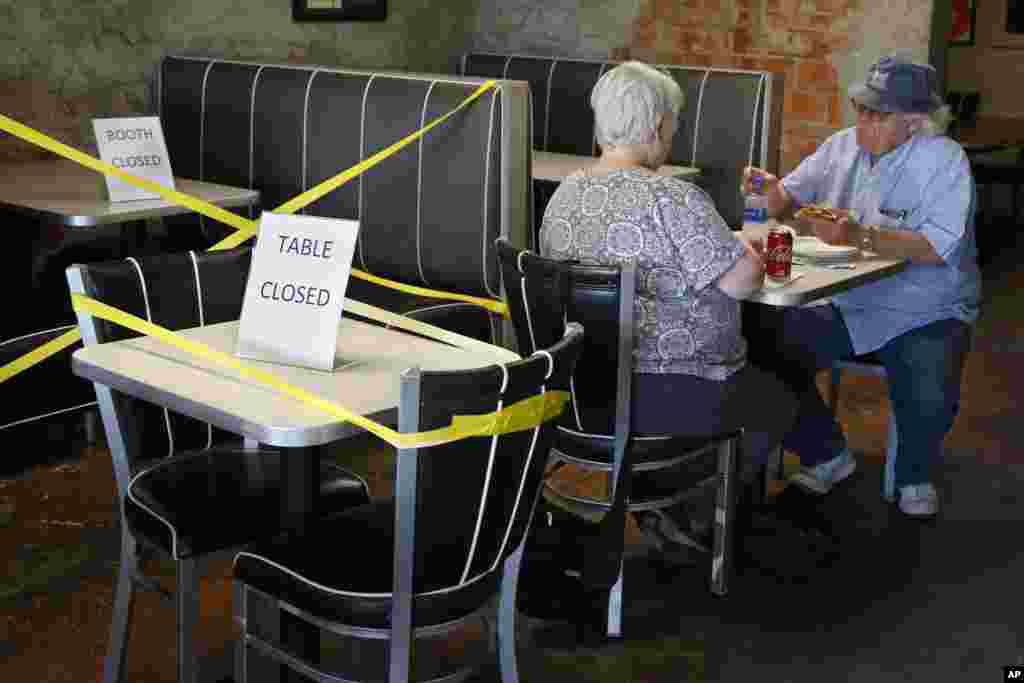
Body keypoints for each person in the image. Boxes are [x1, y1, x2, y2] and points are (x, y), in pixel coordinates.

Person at [538, 61, 798, 560]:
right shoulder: (672, 197)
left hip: (579, 390)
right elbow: (744, 283)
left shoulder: (563, 195)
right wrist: (755, 238)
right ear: (657, 125)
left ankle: (658, 499)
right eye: (673, 126)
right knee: (776, 398)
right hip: (670, 394)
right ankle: (687, 508)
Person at [742, 50, 981, 518]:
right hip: (850, 301)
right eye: (862, 108)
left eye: (878, 113)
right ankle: (827, 453)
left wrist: (859, 235)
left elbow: (935, 247)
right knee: (759, 342)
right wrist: (769, 191)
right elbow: (785, 198)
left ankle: (914, 474)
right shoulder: (842, 146)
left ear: (915, 122)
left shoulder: (945, 161)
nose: (864, 120)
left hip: (927, 305)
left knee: (929, 380)